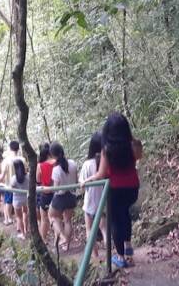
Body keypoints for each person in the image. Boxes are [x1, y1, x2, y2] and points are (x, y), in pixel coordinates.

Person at [81, 112, 143, 268]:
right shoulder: (134, 144)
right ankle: (128, 247)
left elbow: (101, 174)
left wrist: (86, 181)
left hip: (115, 189)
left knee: (116, 221)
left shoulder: (107, 149)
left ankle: (121, 257)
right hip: (132, 188)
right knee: (125, 215)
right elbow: (139, 157)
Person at [78, 132, 107, 258]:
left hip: (90, 203)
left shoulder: (87, 164)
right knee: (105, 230)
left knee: (90, 230)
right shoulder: (106, 162)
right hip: (104, 202)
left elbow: (81, 184)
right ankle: (110, 257)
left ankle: (96, 258)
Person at [47, 141, 78, 251]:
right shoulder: (73, 163)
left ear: (52, 155)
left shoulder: (56, 169)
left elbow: (56, 189)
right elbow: (76, 180)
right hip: (72, 196)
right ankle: (67, 246)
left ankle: (63, 237)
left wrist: (46, 189)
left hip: (60, 197)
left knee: (52, 216)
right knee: (68, 221)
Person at [36, 142, 54, 239]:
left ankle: (43, 239)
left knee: (44, 219)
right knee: (57, 218)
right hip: (56, 192)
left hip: (45, 193)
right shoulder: (57, 162)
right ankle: (58, 239)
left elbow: (38, 180)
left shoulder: (40, 165)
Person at [10, 159, 30, 239]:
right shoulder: (28, 176)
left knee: (19, 217)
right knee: (25, 213)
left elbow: (11, 187)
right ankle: (26, 229)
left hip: (17, 200)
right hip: (26, 198)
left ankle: (23, 234)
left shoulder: (14, 178)